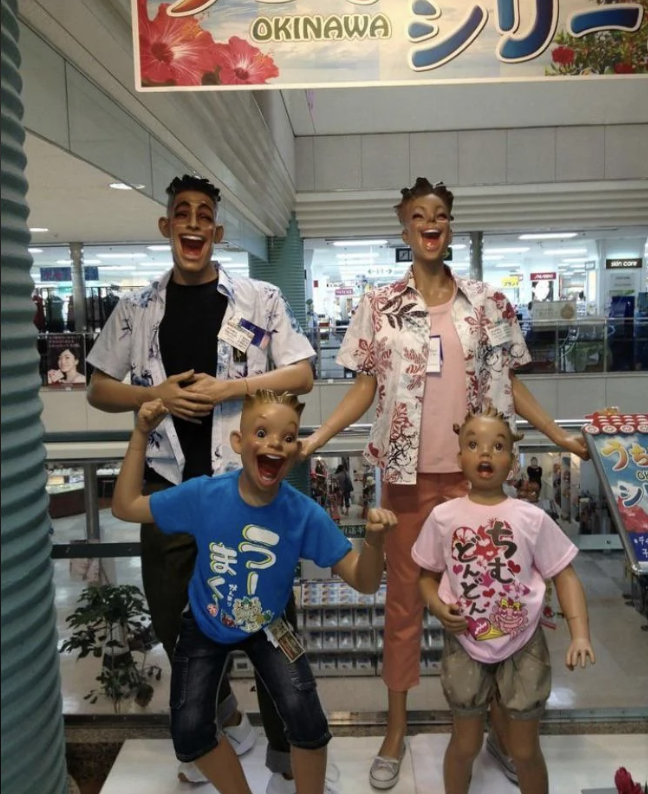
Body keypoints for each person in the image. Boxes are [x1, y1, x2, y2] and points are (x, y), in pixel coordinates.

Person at [300, 177, 589, 790]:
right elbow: (362, 388)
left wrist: (560, 439)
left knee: (494, 598)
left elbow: (512, 388)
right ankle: (396, 729)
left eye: (440, 215)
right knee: (404, 606)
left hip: (476, 482)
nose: (429, 223)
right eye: (417, 216)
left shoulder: (488, 303)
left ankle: (500, 730)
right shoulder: (380, 305)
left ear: (449, 226)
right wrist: (316, 440)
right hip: (405, 480)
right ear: (404, 229)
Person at [86, 174, 317, 792]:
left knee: (275, 631)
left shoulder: (259, 300)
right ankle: (217, 724)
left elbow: (302, 373)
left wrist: (232, 390)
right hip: (169, 494)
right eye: (181, 213)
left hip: (247, 496)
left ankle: (288, 761)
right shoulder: (137, 309)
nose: (192, 224)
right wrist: (152, 394)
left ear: (217, 231)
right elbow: (98, 387)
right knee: (176, 628)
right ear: (167, 227)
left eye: (205, 215)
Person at [112, 389, 398, 794]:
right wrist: (141, 432)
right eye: (261, 432)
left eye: (287, 437)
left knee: (307, 721)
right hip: (205, 621)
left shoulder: (302, 513)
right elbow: (125, 506)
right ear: (238, 442)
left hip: (269, 624)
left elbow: (364, 581)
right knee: (189, 732)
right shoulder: (205, 495)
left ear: (296, 448)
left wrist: (373, 543)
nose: (274, 445)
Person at [413, 406, 595, 794]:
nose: (485, 454)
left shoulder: (531, 517)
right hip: (465, 639)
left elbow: (564, 572)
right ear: (459, 455)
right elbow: (426, 575)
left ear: (512, 460)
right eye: (474, 444)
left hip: (522, 640)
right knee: (464, 743)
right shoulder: (443, 517)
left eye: (498, 446)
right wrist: (434, 603)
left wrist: (580, 633)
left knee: (525, 748)